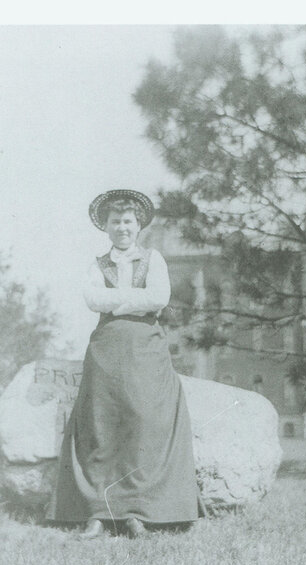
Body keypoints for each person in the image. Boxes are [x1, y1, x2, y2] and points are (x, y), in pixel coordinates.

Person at [45, 189, 200, 538]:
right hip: (106, 351)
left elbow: (159, 297)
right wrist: (135, 300)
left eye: (128, 221)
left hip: (146, 350)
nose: (122, 227)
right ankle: (97, 514)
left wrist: (116, 301)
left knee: (144, 422)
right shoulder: (97, 264)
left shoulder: (153, 259)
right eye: (115, 221)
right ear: (106, 227)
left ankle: (138, 513)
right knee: (101, 425)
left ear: (139, 224)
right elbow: (92, 298)